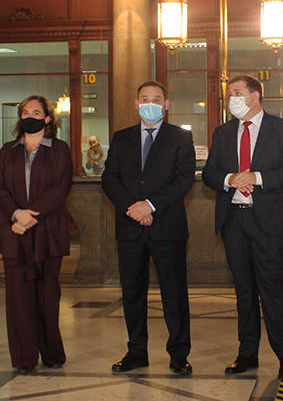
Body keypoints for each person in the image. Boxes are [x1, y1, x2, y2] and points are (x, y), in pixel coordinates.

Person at [202, 75, 283, 381]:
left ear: (255, 95)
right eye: (229, 93)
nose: (231, 97)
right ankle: (247, 354)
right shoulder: (223, 132)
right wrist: (228, 179)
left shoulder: (282, 129)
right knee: (243, 291)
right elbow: (209, 173)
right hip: (234, 221)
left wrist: (255, 177)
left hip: (269, 223)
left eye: (237, 92)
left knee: (273, 289)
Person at [101, 81, 195, 375]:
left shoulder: (180, 137)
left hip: (167, 226)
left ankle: (179, 354)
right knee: (132, 292)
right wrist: (133, 207)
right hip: (130, 227)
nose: (150, 104)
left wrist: (150, 205)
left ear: (166, 104)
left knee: (174, 293)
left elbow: (183, 179)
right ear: (136, 103)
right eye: (145, 99)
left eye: (157, 99)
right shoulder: (122, 137)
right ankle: (136, 351)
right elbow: (110, 178)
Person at [0, 95, 72, 374]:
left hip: (47, 232)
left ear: (47, 119)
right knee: (18, 298)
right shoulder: (7, 150)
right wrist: (16, 214)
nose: (29, 115)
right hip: (13, 232)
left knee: (47, 296)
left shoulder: (60, 150)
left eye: (36, 112)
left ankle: (51, 353)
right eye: (25, 111)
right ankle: (24, 357)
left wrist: (29, 216)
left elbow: (60, 189)